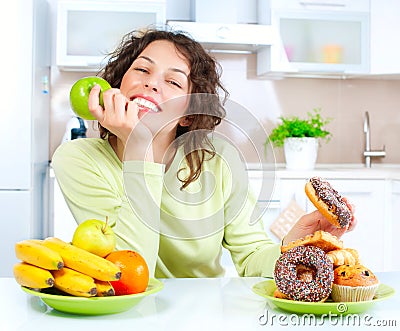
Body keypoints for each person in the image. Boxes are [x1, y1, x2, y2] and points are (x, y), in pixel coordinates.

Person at [52, 28, 356, 278]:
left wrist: (294, 246)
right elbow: (129, 270)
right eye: (142, 69)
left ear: (188, 113)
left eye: (172, 81)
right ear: (116, 87)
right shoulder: (78, 159)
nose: (151, 83)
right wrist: (139, 148)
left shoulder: (219, 159)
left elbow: (251, 256)